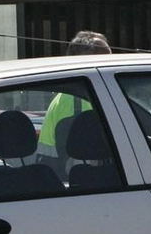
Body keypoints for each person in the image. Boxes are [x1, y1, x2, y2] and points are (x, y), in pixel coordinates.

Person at [39, 31, 111, 162]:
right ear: (82, 62)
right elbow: (81, 157)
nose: (110, 66)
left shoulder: (69, 95)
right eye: (104, 61)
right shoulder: (77, 101)